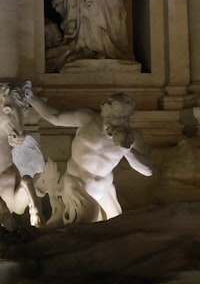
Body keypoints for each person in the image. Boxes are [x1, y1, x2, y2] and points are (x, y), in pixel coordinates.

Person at [27, 89, 152, 223]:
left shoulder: (131, 137)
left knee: (117, 226)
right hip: (76, 184)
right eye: (115, 116)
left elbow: (148, 170)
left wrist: (126, 150)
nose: (119, 122)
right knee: (86, 225)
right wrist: (31, 98)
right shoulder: (87, 119)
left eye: (123, 118)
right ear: (105, 110)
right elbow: (55, 117)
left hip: (104, 189)